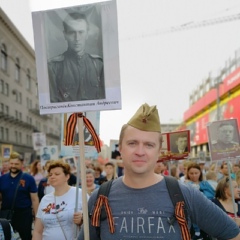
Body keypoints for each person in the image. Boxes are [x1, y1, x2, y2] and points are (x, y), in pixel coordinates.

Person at [79, 103, 240, 240]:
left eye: (149, 145)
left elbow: (233, 234)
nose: (140, 151)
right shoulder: (100, 198)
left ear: (158, 152)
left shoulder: (185, 195)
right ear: (120, 148)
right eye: (132, 143)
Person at [48, 12, 105, 103]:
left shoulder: (99, 65)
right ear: (65, 35)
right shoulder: (54, 67)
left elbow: (104, 101)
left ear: (87, 34)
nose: (77, 38)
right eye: (72, 33)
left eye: (81, 32)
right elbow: (52, 103)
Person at [33, 160, 83, 239]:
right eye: (50, 174)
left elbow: (93, 221)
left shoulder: (79, 194)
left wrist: (82, 219)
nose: (52, 176)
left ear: (67, 176)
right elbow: (38, 231)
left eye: (57, 174)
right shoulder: (45, 199)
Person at [0, 152, 39, 240]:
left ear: (22, 164)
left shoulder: (28, 178)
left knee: (26, 237)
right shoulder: (2, 179)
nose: (13, 166)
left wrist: (37, 218)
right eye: (11, 163)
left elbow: (34, 199)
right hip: (6, 215)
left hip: (24, 215)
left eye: (16, 164)